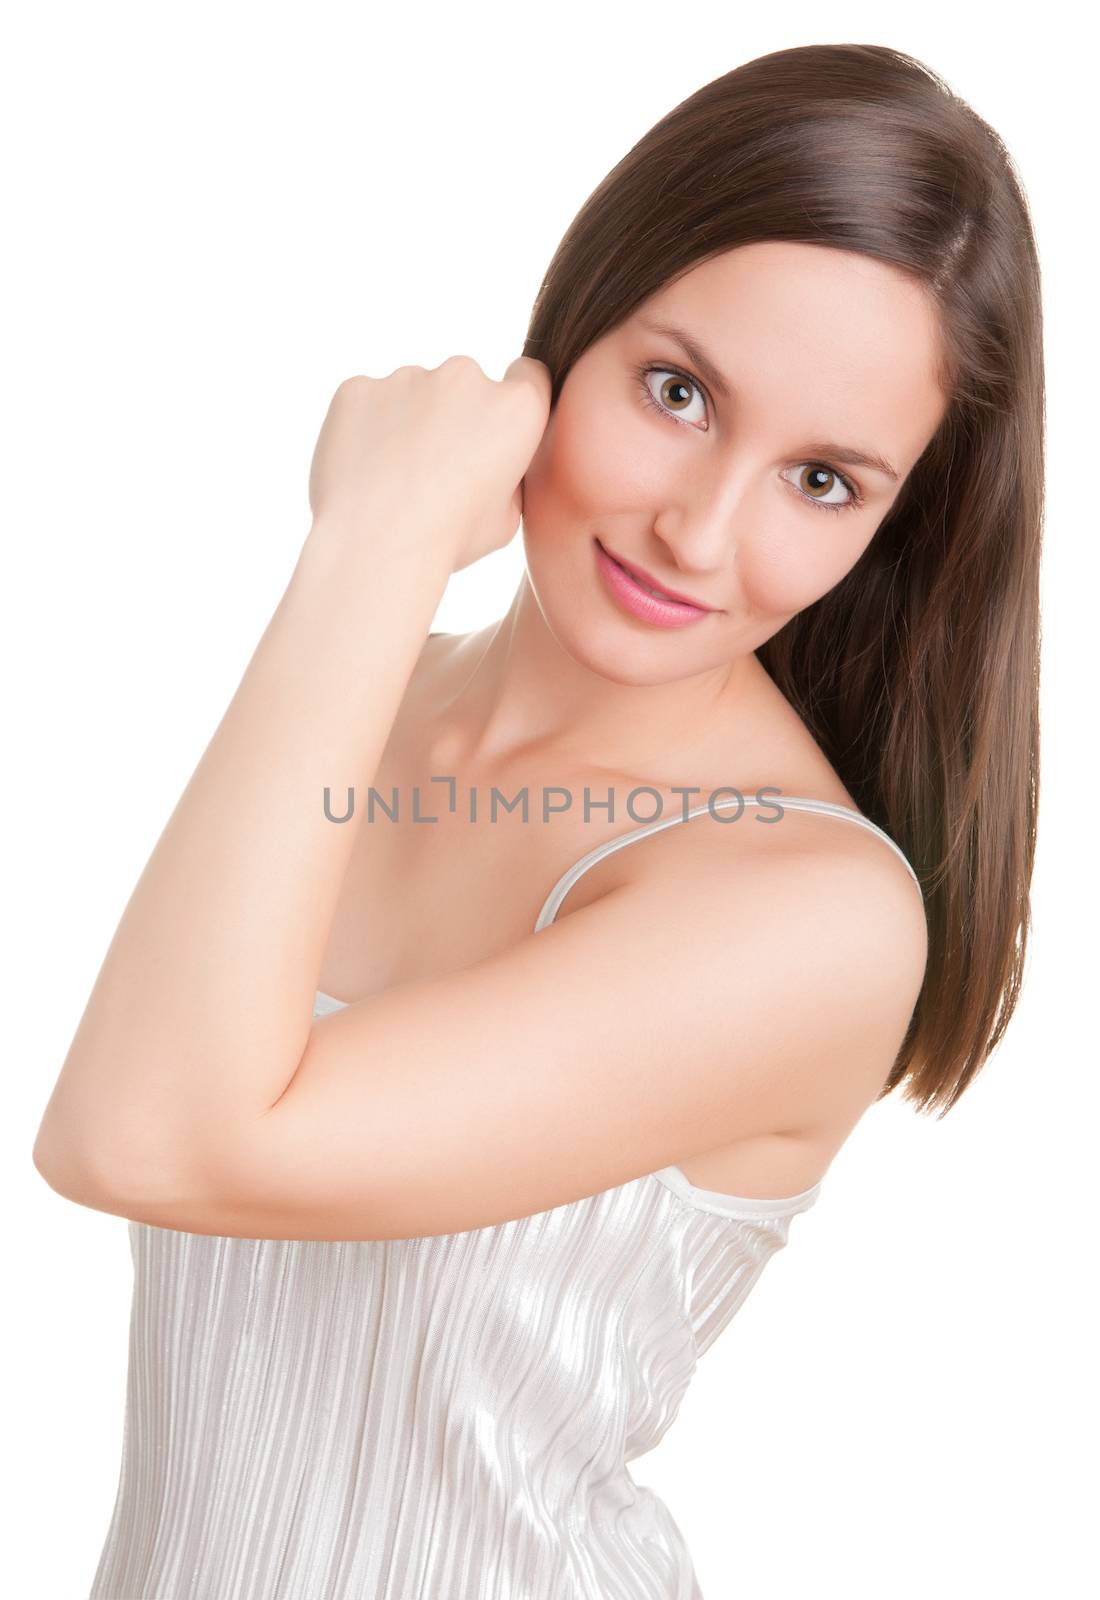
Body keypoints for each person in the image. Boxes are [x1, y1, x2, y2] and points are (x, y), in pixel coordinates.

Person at [32, 41, 1042, 1600]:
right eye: (679, 390)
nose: (699, 533)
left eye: (825, 481)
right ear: (564, 336)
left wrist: (371, 535)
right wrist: (369, 603)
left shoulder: (810, 914)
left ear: (895, 528)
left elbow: (141, 1135)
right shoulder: (362, 698)